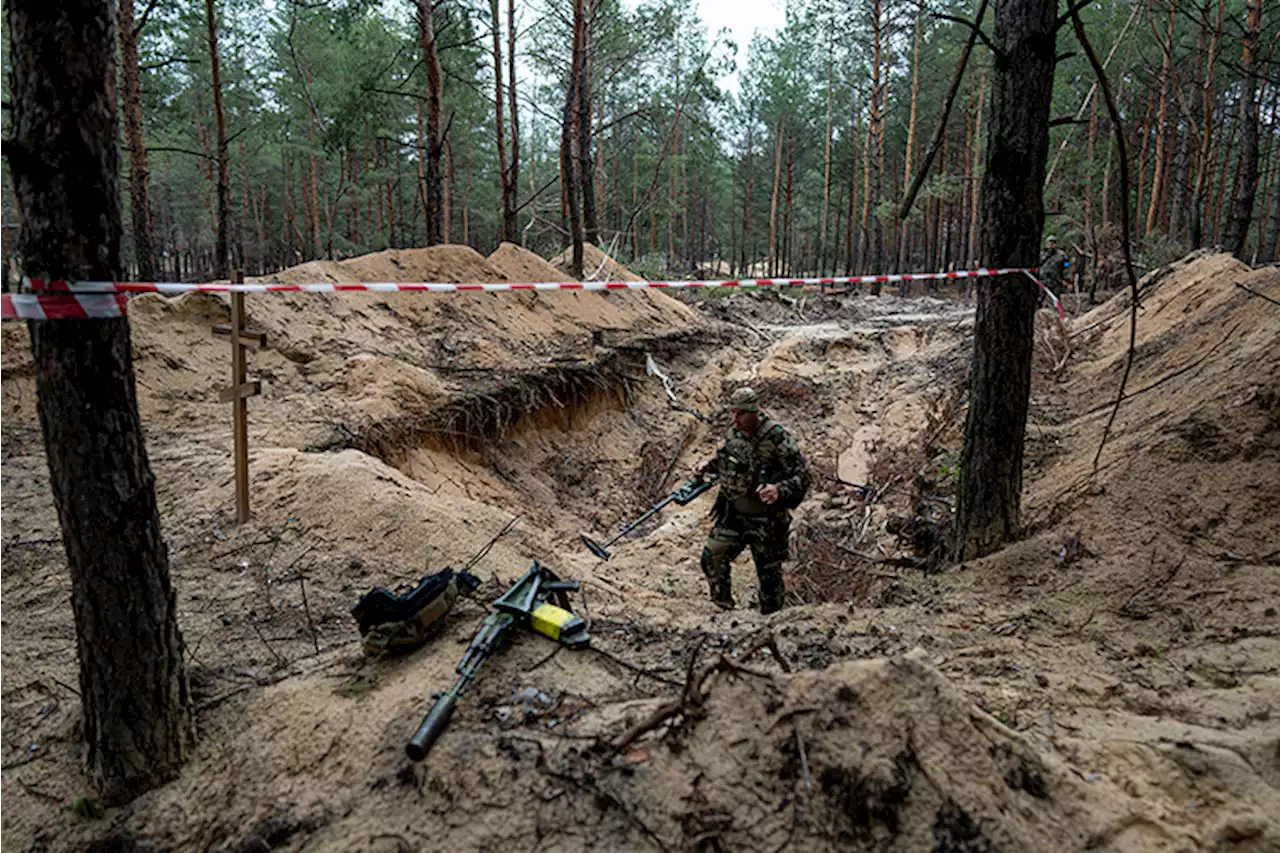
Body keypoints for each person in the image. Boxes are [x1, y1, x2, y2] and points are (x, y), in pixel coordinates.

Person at [695, 387, 810, 614]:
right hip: (733, 513)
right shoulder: (734, 432)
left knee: (769, 576)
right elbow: (728, 458)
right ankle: (723, 609)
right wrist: (709, 465)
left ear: (754, 412)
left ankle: (771, 620)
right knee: (712, 556)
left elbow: (803, 476)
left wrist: (779, 490)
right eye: (733, 413)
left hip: (766, 520)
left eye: (740, 414)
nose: (734, 419)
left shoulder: (776, 438)